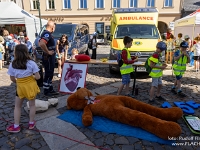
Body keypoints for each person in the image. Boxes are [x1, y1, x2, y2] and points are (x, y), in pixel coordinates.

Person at [6, 44, 40, 133]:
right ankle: (31, 123)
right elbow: (38, 77)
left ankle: (16, 125)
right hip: (30, 86)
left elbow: (12, 78)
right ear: (26, 52)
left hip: (20, 87)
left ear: (16, 53)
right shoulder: (32, 63)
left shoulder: (12, 64)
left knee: (17, 106)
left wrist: (18, 82)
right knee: (32, 105)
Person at [39, 20, 58, 96]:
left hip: (50, 57)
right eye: (54, 27)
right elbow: (41, 43)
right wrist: (48, 52)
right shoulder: (47, 34)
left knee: (50, 74)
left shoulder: (47, 33)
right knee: (48, 73)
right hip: (48, 58)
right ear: (52, 27)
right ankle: (46, 91)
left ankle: (50, 89)